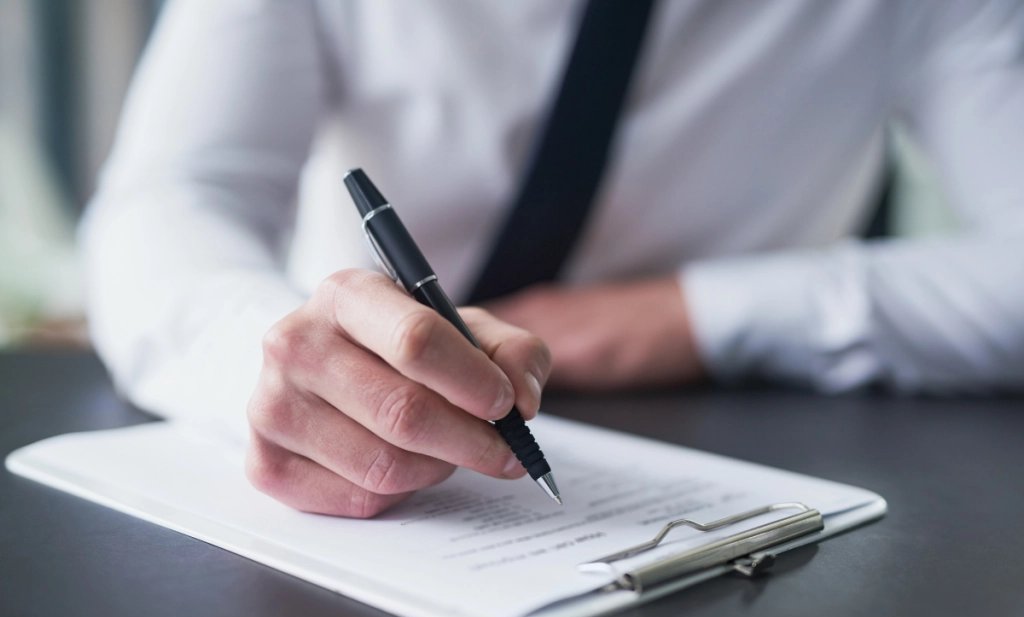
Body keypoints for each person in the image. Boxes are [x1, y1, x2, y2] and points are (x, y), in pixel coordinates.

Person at [82, 0, 1024, 518]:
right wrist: (275, 357)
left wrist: (693, 314)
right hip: (358, 485)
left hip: (752, 441)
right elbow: (166, 204)